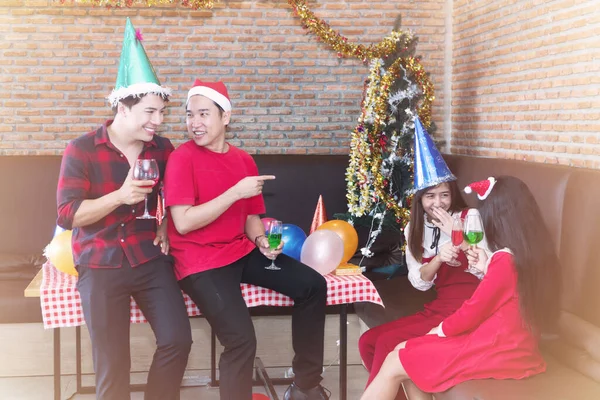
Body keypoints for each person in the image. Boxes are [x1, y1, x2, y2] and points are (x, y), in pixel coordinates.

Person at [164, 79, 330, 400]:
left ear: (225, 117)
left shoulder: (243, 161)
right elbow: (183, 223)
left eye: (203, 114)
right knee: (241, 341)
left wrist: (261, 242)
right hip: (200, 262)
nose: (194, 123)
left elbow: (251, 217)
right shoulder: (181, 159)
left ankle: (305, 385)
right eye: (189, 115)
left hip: (240, 251)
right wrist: (234, 192)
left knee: (313, 285)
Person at [56, 18, 192, 400]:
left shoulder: (162, 149)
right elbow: (67, 214)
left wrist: (165, 225)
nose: (159, 121)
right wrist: (120, 195)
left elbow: (178, 196)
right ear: (123, 106)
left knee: (177, 341)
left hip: (149, 256)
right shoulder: (81, 149)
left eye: (162, 112)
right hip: (99, 262)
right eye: (151, 112)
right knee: (113, 364)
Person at [361, 176, 562, 400]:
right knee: (404, 355)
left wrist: (439, 331)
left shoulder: (505, 259)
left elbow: (475, 310)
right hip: (516, 344)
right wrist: (487, 267)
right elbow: (510, 292)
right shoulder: (535, 253)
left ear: (499, 217)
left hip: (500, 348)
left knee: (398, 358)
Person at [358, 118, 484, 399]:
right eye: (430, 197)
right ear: (420, 200)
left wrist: (457, 237)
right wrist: (438, 258)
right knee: (368, 341)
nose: (438, 203)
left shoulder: (469, 218)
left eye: (444, 195)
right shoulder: (413, 229)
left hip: (469, 308)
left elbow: (485, 271)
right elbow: (420, 283)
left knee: (390, 342)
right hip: (440, 306)